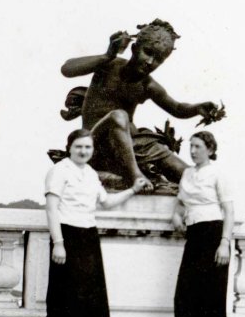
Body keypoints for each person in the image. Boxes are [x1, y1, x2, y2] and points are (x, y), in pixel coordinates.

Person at [33, 128, 148, 317]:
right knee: (66, 294)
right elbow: (52, 210)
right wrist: (59, 242)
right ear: (69, 147)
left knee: (82, 297)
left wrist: (133, 190)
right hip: (67, 235)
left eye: (88, 147)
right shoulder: (59, 171)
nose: (83, 151)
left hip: (88, 236)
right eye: (79, 147)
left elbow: (105, 202)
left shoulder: (91, 173)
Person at [60, 19, 224, 190]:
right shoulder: (109, 65)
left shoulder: (148, 86)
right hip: (96, 144)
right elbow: (66, 69)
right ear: (134, 48)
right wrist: (107, 55)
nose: (150, 62)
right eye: (148, 52)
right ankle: (135, 176)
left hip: (134, 145)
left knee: (190, 176)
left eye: (159, 59)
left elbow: (176, 108)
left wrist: (197, 108)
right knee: (119, 116)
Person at [172, 131, 234, 317]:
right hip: (194, 236)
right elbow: (180, 202)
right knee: (185, 296)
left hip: (213, 235)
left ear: (210, 148)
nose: (193, 150)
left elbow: (229, 211)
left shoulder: (218, 173)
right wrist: (176, 215)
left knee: (211, 296)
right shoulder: (187, 173)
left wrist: (224, 243)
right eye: (191, 146)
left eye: (198, 146)